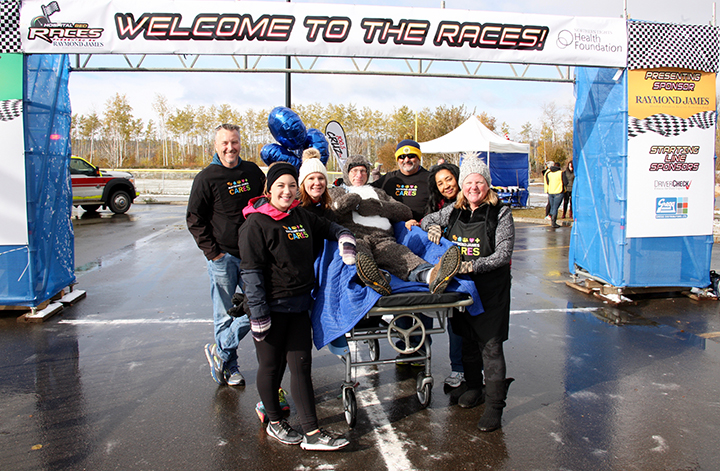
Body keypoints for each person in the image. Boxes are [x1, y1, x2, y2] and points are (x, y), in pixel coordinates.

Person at [239, 163, 356, 451]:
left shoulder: (300, 214)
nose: (287, 191)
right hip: (271, 308)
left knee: (302, 367)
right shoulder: (256, 224)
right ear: (269, 189)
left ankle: (312, 433)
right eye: (281, 185)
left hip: (299, 304)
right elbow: (251, 272)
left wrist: (344, 237)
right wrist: (258, 314)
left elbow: (327, 225)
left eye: (292, 185)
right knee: (271, 366)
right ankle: (275, 422)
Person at [421, 154, 515, 433]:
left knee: (491, 346)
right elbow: (426, 218)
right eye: (469, 183)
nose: (474, 187)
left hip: (491, 289)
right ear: (462, 187)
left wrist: (473, 265)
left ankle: (495, 407)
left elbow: (503, 254)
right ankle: (474, 388)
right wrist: (433, 226)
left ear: (487, 184)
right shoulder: (454, 210)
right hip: (462, 289)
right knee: (468, 341)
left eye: (479, 182)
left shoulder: (501, 212)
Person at [187, 123, 265, 387]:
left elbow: (265, 204)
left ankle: (219, 351)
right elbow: (194, 219)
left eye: (234, 142)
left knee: (259, 305)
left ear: (240, 143)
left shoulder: (252, 172)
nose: (230, 148)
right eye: (225, 143)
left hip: (253, 256)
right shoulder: (206, 178)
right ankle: (229, 366)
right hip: (223, 259)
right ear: (216, 146)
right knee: (224, 315)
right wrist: (214, 254)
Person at [328, 154, 461, 297]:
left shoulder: (379, 192)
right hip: (357, 236)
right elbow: (333, 211)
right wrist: (349, 201)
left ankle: (431, 275)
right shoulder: (338, 190)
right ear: (347, 174)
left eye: (363, 171)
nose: (359, 175)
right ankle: (376, 278)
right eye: (354, 171)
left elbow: (405, 212)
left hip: (383, 239)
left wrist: (379, 207)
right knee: (360, 253)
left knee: (401, 256)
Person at [405, 162, 465, 387]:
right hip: (446, 266)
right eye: (440, 183)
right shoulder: (437, 205)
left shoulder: (467, 200)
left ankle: (460, 369)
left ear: (458, 178)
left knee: (459, 322)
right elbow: (429, 219)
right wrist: (419, 223)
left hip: (467, 268)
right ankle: (419, 353)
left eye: (449, 179)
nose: (446, 185)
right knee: (422, 302)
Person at [372, 139, 431, 221]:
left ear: (418, 157)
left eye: (411, 156)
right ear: (397, 159)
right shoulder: (389, 178)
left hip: (419, 227)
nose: (406, 160)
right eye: (402, 157)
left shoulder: (430, 178)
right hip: (392, 228)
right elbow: (366, 190)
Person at [545, 161, 564, 228]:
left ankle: (552, 220)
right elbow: (565, 181)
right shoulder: (561, 173)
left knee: (552, 206)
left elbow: (547, 182)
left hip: (551, 192)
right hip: (558, 191)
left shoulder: (549, 173)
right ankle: (553, 222)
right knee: (555, 207)